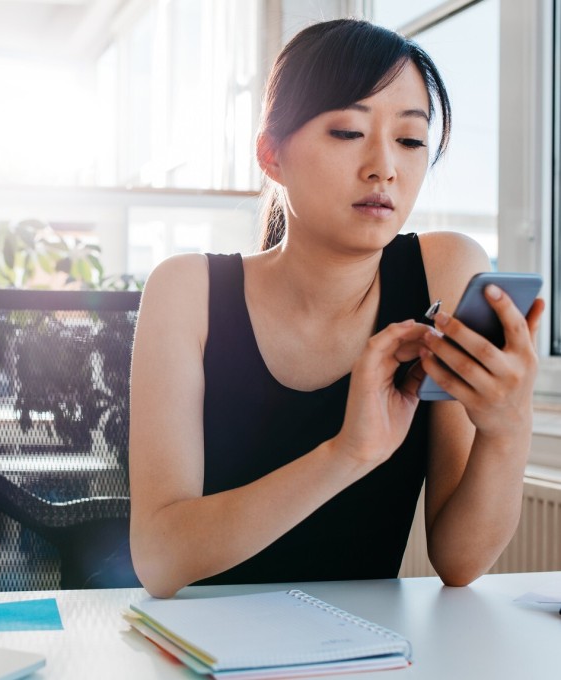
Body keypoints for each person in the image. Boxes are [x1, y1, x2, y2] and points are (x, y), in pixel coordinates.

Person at [128, 18, 545, 599]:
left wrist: (508, 426)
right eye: (348, 131)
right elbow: (159, 558)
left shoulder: (444, 272)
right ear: (271, 155)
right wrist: (348, 454)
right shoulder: (186, 291)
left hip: (367, 651)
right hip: (200, 647)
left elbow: (459, 560)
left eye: (410, 139)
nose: (384, 166)